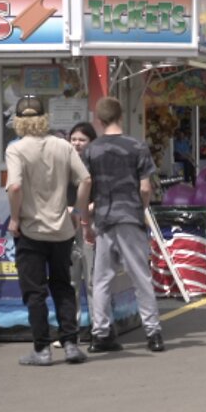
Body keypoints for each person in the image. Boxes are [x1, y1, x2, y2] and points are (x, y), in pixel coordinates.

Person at [6, 95, 90, 366]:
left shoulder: (16, 150)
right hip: (62, 230)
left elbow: (15, 186)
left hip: (31, 230)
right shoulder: (63, 146)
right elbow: (85, 179)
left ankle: (42, 349)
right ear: (44, 118)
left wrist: (15, 218)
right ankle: (70, 344)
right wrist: (77, 211)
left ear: (19, 121)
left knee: (35, 291)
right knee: (63, 286)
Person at [78, 97, 166, 353]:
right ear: (121, 116)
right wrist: (141, 207)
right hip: (130, 217)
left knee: (101, 278)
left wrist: (84, 218)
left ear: (99, 120)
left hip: (104, 219)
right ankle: (154, 333)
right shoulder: (137, 146)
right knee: (140, 276)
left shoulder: (91, 150)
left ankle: (100, 334)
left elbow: (86, 185)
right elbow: (146, 188)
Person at [67, 121, 97, 344]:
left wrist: (82, 210)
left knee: (93, 280)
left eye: (82, 140)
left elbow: (103, 194)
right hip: (68, 226)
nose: (77, 143)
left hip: (91, 226)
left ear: (91, 142)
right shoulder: (64, 164)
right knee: (72, 281)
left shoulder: (97, 164)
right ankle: (71, 329)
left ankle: (99, 328)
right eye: (74, 139)